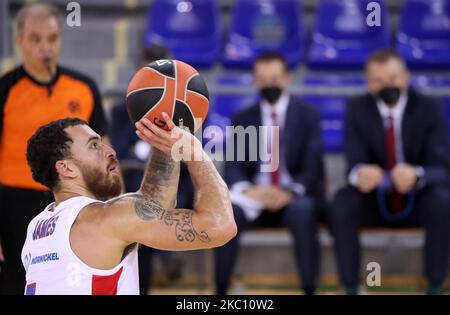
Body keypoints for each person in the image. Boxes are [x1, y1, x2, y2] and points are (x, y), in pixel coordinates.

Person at [21, 113, 236, 295]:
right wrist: (195, 153)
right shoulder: (105, 219)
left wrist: (165, 141)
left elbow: (153, 206)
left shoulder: (36, 227)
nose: (110, 151)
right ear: (66, 168)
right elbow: (220, 225)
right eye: (94, 146)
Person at [0, 2, 109, 294]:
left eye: (52, 39)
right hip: (13, 203)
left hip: (73, 201)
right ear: (19, 40)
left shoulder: (83, 87)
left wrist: (110, 202)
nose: (45, 48)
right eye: (35, 39)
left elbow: (104, 151)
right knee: (16, 282)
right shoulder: (6, 89)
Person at [328, 49, 450, 295]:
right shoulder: (357, 108)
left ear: (406, 77)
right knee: (342, 201)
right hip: (375, 198)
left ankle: (435, 285)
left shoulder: (430, 107)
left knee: (442, 201)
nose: (387, 86)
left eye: (392, 79)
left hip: (418, 198)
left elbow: (442, 168)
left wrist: (417, 175)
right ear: (368, 83)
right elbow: (352, 163)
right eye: (378, 81)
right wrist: (361, 174)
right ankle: (350, 285)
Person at [214, 52, 324, 295]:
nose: (269, 85)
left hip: (292, 198)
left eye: (274, 78)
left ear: (287, 78)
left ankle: (309, 287)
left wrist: (288, 193)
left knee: (303, 210)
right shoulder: (243, 118)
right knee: (228, 213)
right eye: (262, 79)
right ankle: (220, 289)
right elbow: (234, 169)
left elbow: (311, 169)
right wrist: (251, 190)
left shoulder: (308, 116)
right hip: (255, 198)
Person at [109, 45, 190, 294]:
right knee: (141, 202)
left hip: (178, 187)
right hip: (137, 185)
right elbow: (120, 152)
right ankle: (166, 258)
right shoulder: (121, 111)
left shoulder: (185, 109)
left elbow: (192, 153)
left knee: (145, 215)